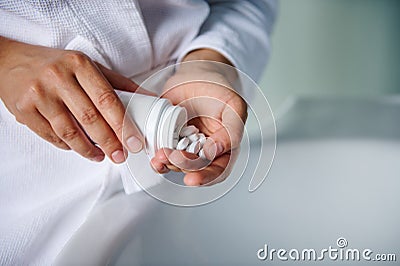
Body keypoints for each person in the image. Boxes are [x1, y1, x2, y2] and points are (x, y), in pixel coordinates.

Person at [0, 0, 276, 264]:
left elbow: (243, 3)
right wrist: (6, 59)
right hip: (27, 186)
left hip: (180, 148)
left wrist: (207, 62)